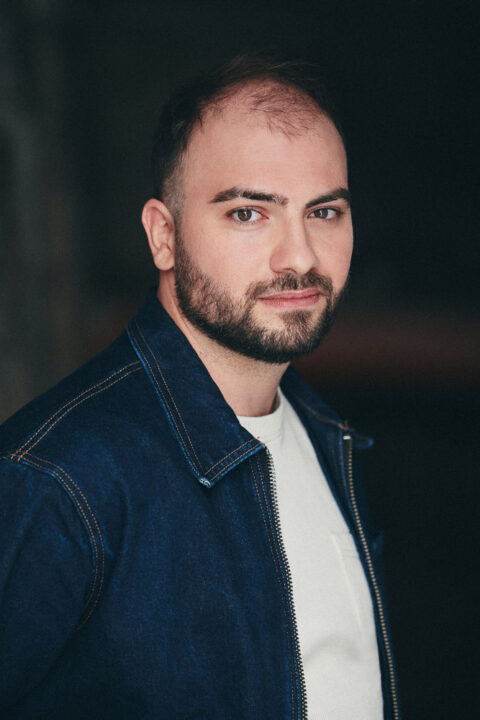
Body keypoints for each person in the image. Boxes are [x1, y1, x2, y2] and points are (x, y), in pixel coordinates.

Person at [0, 55, 400, 719]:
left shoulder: (332, 442)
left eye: (325, 211)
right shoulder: (57, 480)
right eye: (248, 213)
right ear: (164, 235)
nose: (299, 256)